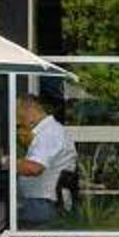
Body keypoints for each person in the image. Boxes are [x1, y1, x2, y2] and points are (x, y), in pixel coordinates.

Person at [14, 87, 75, 227]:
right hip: (41, 202)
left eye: (19, 115)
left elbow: (34, 168)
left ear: (30, 110)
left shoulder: (49, 134)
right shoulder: (50, 132)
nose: (18, 121)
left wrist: (3, 162)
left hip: (42, 205)